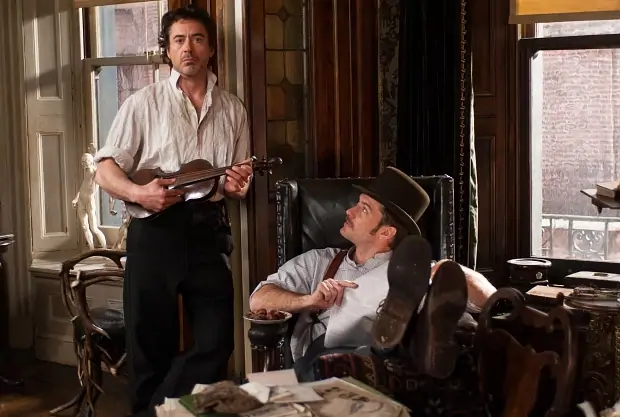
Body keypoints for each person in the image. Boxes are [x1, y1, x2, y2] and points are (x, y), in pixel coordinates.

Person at [93, 5, 251, 417]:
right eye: (179, 40)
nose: (188, 49)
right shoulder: (142, 103)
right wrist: (139, 193)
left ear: (211, 48)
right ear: (167, 49)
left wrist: (237, 186)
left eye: (197, 39)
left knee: (217, 340)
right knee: (149, 346)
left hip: (208, 233)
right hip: (154, 231)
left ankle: (156, 414)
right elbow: (104, 170)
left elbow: (233, 182)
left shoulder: (233, 109)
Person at [249, 166, 496, 379]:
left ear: (386, 232)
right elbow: (259, 299)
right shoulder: (319, 261)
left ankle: (431, 339)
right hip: (327, 353)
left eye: (364, 209)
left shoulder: (412, 271)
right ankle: (395, 341)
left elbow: (489, 301)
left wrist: (446, 269)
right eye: (357, 204)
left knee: (447, 326)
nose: (349, 211)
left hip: (391, 364)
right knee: (343, 361)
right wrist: (309, 301)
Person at [72, 152, 107, 250]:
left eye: (85, 161)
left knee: (94, 228)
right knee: (84, 227)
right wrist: (76, 199)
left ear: (91, 162)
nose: (83, 163)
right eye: (82, 161)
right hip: (81, 200)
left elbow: (104, 182)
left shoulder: (96, 173)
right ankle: (91, 249)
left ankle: (105, 249)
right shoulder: (86, 171)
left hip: (89, 201)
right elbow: (83, 187)